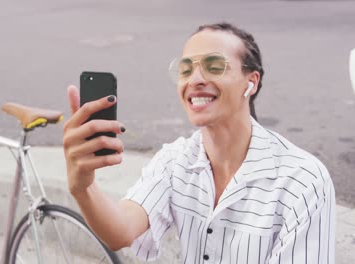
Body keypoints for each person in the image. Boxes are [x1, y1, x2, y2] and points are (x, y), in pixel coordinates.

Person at [62, 22, 335, 264]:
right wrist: (82, 187)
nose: (195, 80)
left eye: (215, 66)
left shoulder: (303, 181)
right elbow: (120, 231)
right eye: (185, 69)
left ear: (250, 83)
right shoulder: (175, 161)